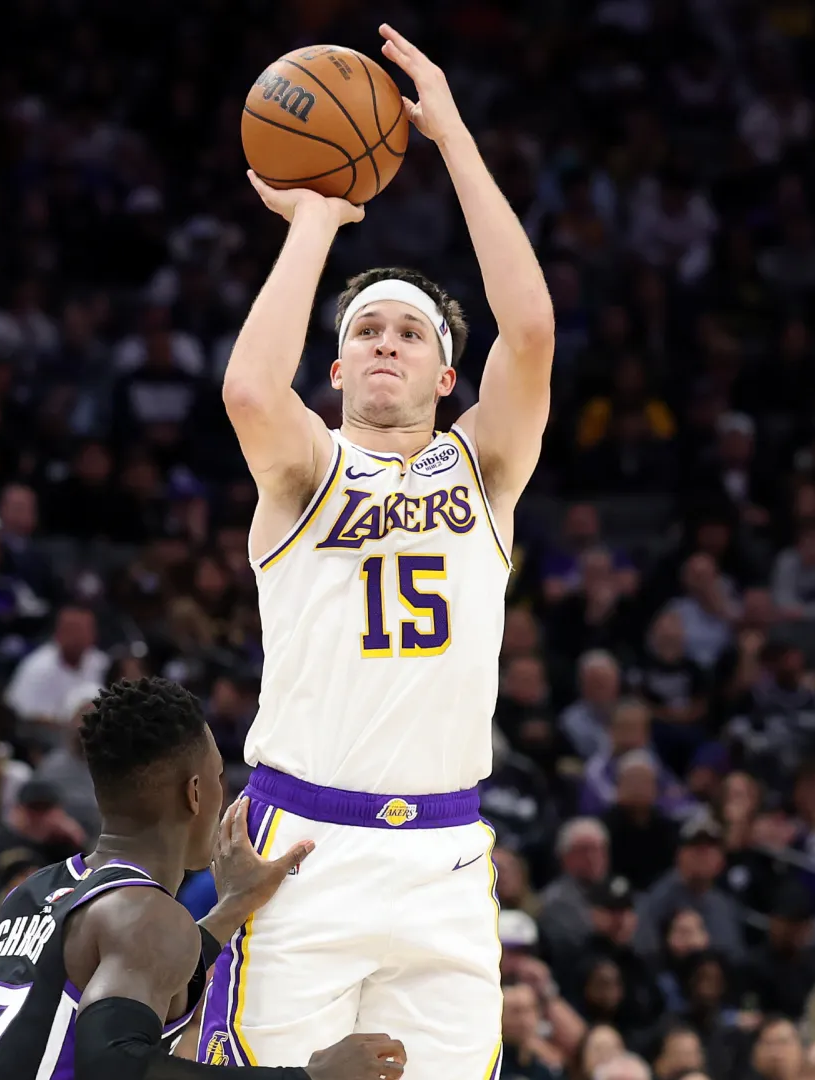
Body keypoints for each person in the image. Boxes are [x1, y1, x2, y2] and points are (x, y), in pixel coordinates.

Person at [205, 23, 554, 1073]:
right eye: (365, 331)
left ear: (447, 378)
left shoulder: (484, 469)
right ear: (338, 369)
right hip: (302, 848)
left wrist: (452, 140)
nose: (386, 342)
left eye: (409, 333)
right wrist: (316, 220)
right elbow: (249, 389)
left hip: (443, 855)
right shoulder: (305, 468)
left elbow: (531, 332)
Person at [0, 677, 403, 1080]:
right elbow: (115, 1065)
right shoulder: (142, 914)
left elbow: (140, 966)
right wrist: (307, 1078)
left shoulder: (34, 892)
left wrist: (233, 906)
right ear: (195, 793)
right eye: (218, 776)